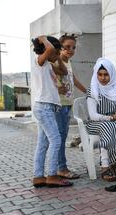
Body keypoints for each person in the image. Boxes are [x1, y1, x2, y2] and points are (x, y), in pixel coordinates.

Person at [31, 35, 73, 187]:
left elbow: (64, 71)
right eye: (56, 52)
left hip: (47, 107)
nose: (56, 55)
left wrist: (58, 57)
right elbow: (48, 49)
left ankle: (38, 176)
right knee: (56, 140)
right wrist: (43, 38)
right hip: (44, 107)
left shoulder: (48, 65)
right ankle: (52, 175)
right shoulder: (39, 61)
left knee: (43, 143)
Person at [85, 58, 116, 182]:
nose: (103, 78)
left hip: (112, 120)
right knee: (109, 127)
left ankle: (115, 160)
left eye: (106, 74)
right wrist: (112, 118)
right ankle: (105, 166)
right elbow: (92, 115)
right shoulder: (93, 89)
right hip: (95, 123)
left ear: (111, 74)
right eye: (100, 74)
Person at [51, 34, 86, 180]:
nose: (70, 50)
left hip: (67, 104)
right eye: (67, 47)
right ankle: (61, 168)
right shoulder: (56, 62)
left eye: (73, 47)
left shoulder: (68, 63)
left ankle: (60, 167)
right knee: (59, 137)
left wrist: (86, 91)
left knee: (62, 135)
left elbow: (73, 79)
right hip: (59, 104)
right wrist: (56, 87)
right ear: (60, 47)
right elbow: (50, 77)